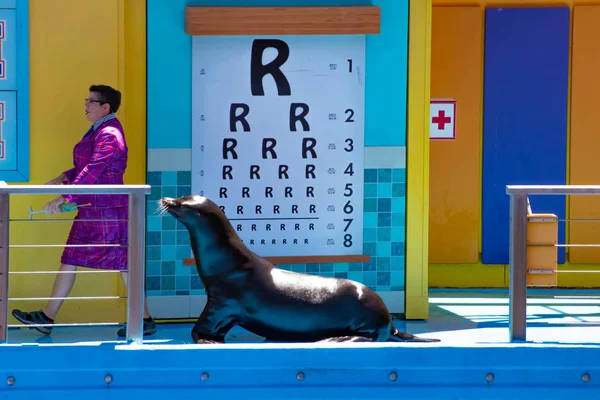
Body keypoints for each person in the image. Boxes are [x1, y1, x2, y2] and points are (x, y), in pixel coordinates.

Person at [11, 84, 156, 338]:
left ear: (105, 107)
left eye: (90, 101)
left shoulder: (109, 134)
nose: (85, 105)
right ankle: (47, 317)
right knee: (71, 258)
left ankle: (144, 320)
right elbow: (85, 166)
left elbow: (93, 171)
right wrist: (62, 177)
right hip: (92, 208)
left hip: (107, 209)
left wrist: (65, 196)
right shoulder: (100, 131)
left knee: (124, 264)